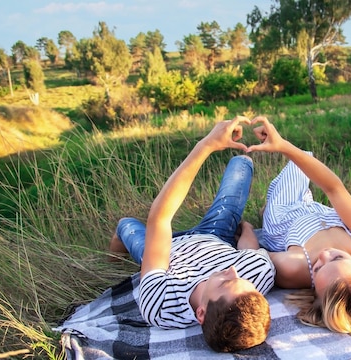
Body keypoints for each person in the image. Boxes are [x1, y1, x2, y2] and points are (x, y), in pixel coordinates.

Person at [108, 117, 276, 352]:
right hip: (215, 235)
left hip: (164, 249)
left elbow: (160, 219)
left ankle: (110, 263)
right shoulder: (254, 281)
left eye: (225, 282)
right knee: (242, 164)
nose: (233, 270)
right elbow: (249, 252)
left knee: (125, 226)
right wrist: (246, 227)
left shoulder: (160, 305)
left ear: (201, 313)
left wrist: (206, 145)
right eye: (240, 278)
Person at [245, 116, 351, 334]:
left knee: (293, 174)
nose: (323, 255)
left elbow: (250, 256)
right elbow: (334, 189)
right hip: (315, 209)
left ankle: (266, 210)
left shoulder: (294, 267)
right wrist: (283, 145)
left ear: (315, 293)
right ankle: (285, 199)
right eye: (338, 257)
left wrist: (245, 227)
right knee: (303, 159)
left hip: (285, 217)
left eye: (318, 267)